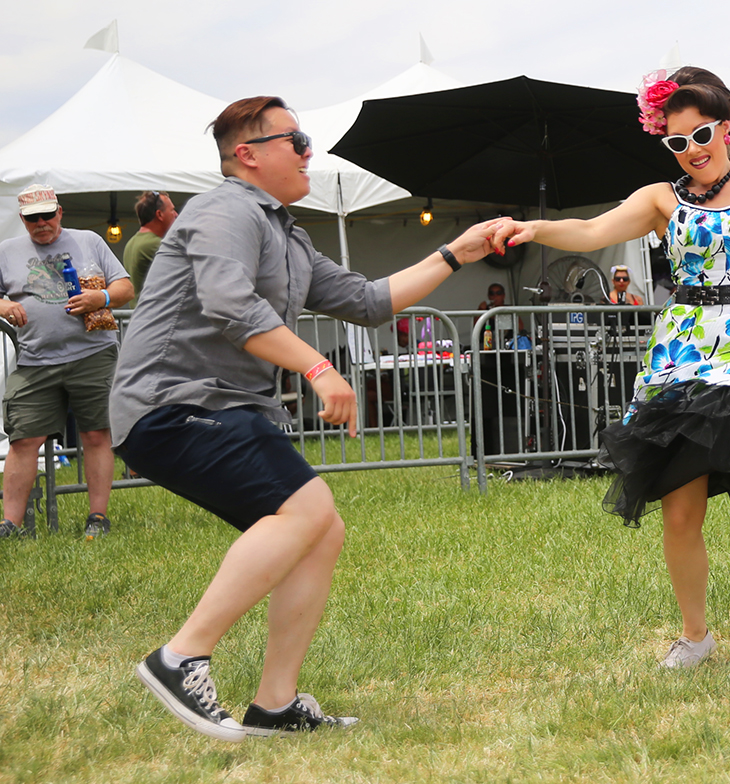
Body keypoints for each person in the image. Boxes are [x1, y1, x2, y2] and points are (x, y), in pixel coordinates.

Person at [111, 96, 499, 740]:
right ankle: (181, 657)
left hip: (226, 407)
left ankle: (275, 704)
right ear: (249, 154)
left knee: (321, 530)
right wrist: (320, 369)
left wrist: (456, 252)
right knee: (309, 511)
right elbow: (228, 304)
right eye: (297, 140)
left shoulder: (285, 232)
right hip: (174, 402)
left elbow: (367, 300)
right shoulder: (224, 209)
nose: (308, 152)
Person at [491, 67, 730, 679]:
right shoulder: (660, 200)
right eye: (677, 141)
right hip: (687, 350)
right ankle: (694, 637)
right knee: (679, 508)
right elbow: (592, 231)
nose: (692, 150)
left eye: (702, 134)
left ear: (727, 128)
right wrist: (534, 228)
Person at [0, 184, 133, 540]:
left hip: (93, 353)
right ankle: (9, 524)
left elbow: (125, 288)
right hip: (34, 360)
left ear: (59, 212)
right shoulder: (6, 251)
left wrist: (100, 296)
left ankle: (98, 517)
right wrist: (3, 305)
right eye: (32, 218)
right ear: (23, 219)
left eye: (47, 215)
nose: (41, 223)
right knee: (24, 439)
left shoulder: (89, 240)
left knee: (95, 433)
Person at [122, 190, 178, 306]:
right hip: (155, 318)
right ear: (159, 215)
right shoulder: (154, 244)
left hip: (141, 316)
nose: (176, 215)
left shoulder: (133, 241)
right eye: (172, 210)